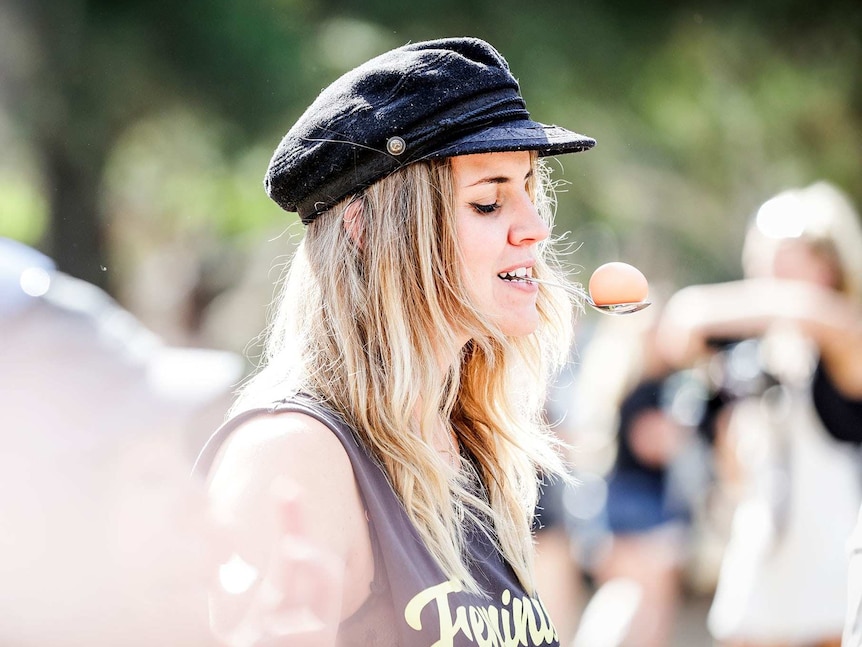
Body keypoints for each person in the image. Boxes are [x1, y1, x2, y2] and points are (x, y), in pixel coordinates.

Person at [193, 37, 597, 646]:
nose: (535, 228)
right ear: (366, 228)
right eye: (487, 201)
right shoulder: (294, 455)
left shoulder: (465, 444)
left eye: (528, 189)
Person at [657, 182, 862, 647]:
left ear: (828, 265)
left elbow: (801, 307)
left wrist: (699, 308)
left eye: (787, 257)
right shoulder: (756, 356)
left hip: (836, 552)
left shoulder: (847, 333)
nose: (771, 271)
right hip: (766, 550)